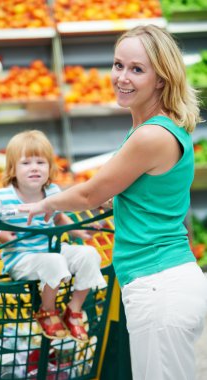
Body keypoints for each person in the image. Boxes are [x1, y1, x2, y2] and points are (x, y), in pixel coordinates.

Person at [19, 25, 207, 379]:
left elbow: (92, 192)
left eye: (137, 69)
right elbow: (151, 199)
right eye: (118, 65)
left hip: (159, 286)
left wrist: (44, 204)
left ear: (162, 79)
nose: (122, 77)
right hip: (166, 280)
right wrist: (113, 212)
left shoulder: (150, 135)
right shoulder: (161, 128)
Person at [0, 130, 106, 342]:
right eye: (26, 163)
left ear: (50, 167)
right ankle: (47, 310)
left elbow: (60, 219)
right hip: (21, 257)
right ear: (12, 169)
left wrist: (78, 232)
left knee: (89, 254)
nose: (34, 167)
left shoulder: (53, 192)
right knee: (55, 260)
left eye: (40, 162)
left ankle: (74, 309)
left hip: (51, 250)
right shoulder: (2, 196)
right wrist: (4, 236)